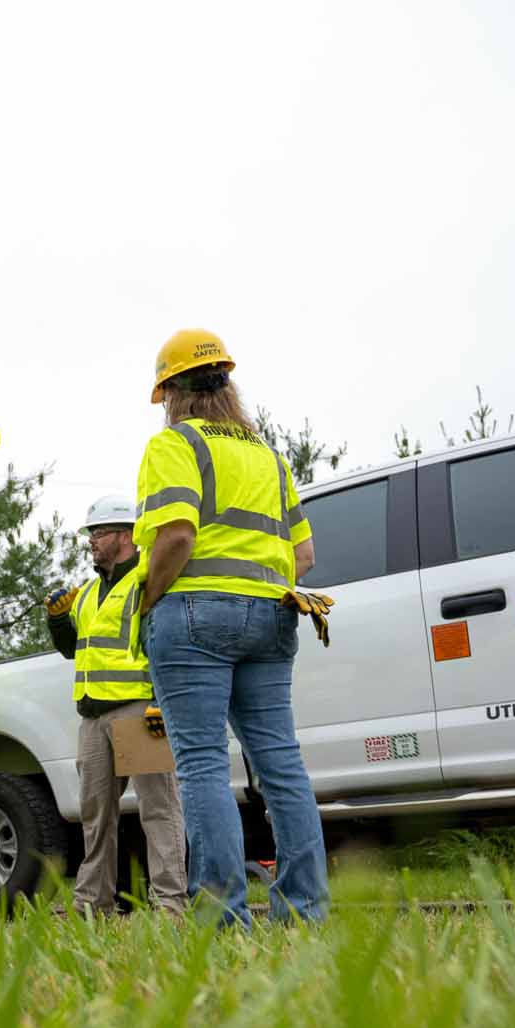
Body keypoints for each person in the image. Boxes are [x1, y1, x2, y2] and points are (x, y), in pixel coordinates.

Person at [134, 330, 327, 925]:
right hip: (274, 615)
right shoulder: (268, 456)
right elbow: (305, 556)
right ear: (226, 385)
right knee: (281, 763)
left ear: (170, 392)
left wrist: (148, 599)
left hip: (194, 616)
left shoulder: (175, 444)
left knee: (201, 764)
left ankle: (222, 916)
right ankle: (304, 909)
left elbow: (176, 535)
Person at [45, 494, 187, 915]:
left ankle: (171, 905)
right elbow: (73, 649)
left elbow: (167, 643)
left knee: (159, 809)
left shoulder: (148, 578)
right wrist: (56, 620)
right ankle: (93, 903)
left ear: (125, 536)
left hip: (138, 710)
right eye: (90, 534)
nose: (91, 541)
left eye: (99, 533)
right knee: (95, 816)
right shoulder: (88, 593)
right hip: (92, 717)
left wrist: (161, 702)